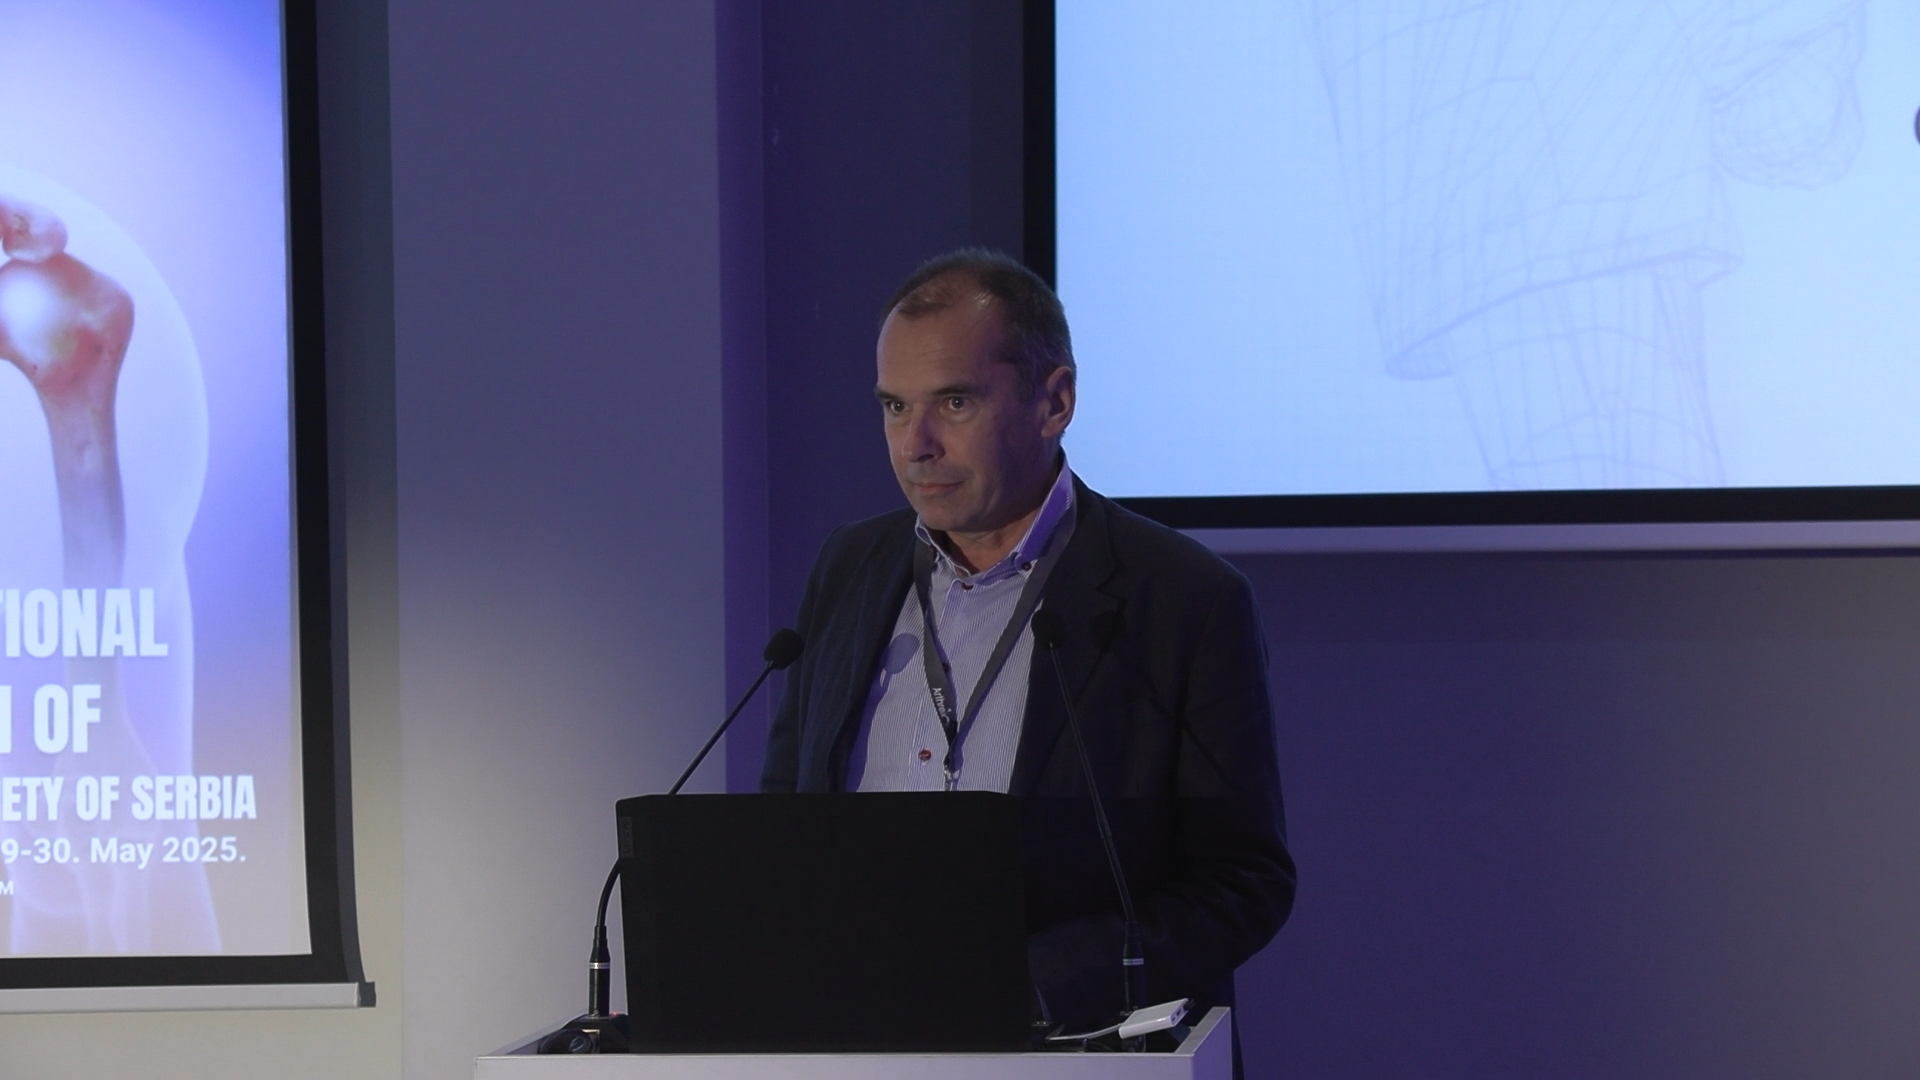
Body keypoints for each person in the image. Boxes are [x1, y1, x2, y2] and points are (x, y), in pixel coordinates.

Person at [760, 249, 1294, 1035]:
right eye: (895, 406)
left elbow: (1242, 882)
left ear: (1055, 402)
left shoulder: (1182, 599)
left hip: (1069, 1047)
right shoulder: (849, 567)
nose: (916, 444)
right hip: (852, 1037)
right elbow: (783, 823)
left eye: (955, 403)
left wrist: (1037, 986)